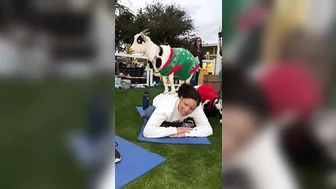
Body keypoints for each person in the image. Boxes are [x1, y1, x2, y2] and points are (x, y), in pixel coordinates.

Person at [142, 83, 213, 138]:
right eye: (185, 104)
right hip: (160, 104)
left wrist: (186, 133)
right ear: (181, 98)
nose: (186, 110)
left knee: (187, 123)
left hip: (174, 119)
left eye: (191, 108)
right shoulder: (166, 106)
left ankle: (172, 124)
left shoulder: (196, 107)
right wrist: (176, 130)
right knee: (149, 113)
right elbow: (147, 132)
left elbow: (208, 129)